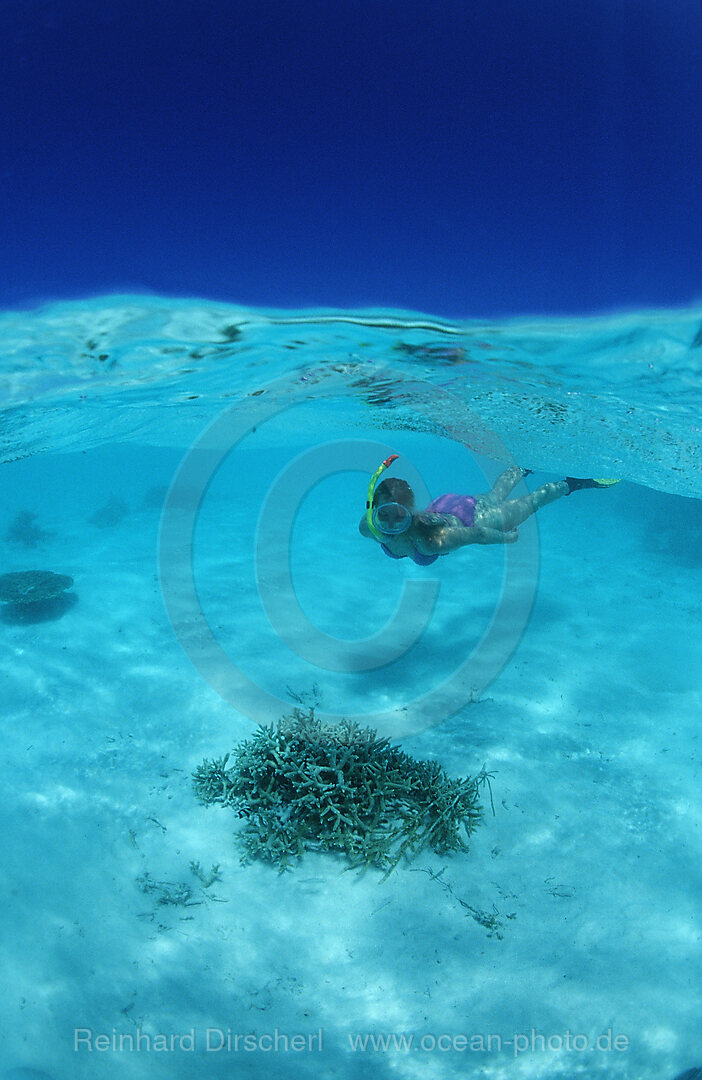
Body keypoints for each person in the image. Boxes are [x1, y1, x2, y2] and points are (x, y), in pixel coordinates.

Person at [359, 455, 618, 566]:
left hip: (471, 518)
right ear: (375, 512)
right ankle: (523, 466)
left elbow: (479, 534)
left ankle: (578, 482)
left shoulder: (432, 541)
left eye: (399, 516)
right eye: (384, 516)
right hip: (443, 505)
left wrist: (507, 537)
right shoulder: (368, 528)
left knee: (532, 501)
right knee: (493, 495)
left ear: (409, 513)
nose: (391, 525)